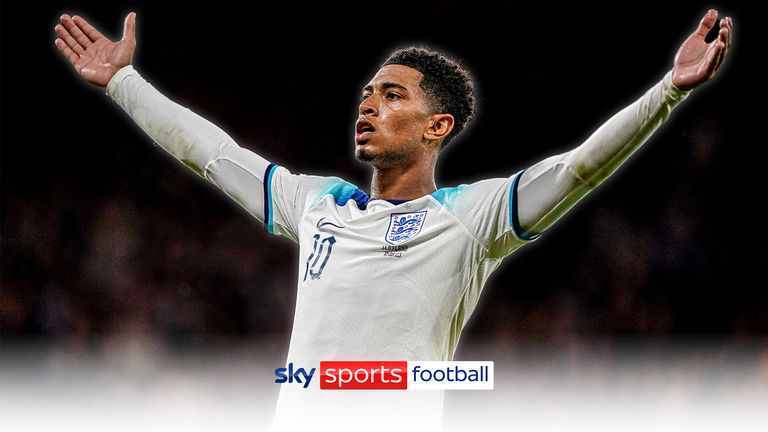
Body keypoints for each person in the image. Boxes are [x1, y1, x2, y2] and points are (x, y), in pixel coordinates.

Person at [54, 9, 732, 432]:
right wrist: (123, 82)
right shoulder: (319, 206)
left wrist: (668, 93)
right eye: (366, 93)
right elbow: (212, 155)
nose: (368, 104)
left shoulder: (472, 218)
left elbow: (580, 167)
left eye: (391, 94)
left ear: (438, 125)